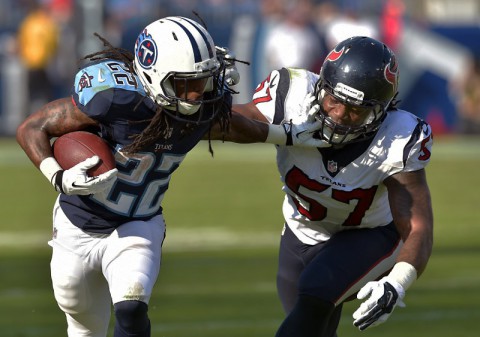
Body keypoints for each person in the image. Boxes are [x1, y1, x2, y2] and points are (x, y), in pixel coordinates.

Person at [15, 16, 326, 337]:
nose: (197, 94)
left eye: (202, 80)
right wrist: (59, 178)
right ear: (154, 76)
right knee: (83, 325)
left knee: (132, 309)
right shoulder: (115, 100)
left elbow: (231, 126)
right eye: (186, 83)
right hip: (76, 225)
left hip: (139, 222)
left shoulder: (202, 106)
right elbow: (32, 127)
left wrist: (286, 134)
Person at [222, 36, 434, 336]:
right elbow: (228, 125)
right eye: (333, 100)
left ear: (379, 113)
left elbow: (417, 225)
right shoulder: (293, 95)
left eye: (355, 110)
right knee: (314, 322)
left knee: (316, 293)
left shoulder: (397, 138)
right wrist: (198, 103)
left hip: (370, 234)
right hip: (301, 232)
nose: (338, 115)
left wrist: (397, 281)